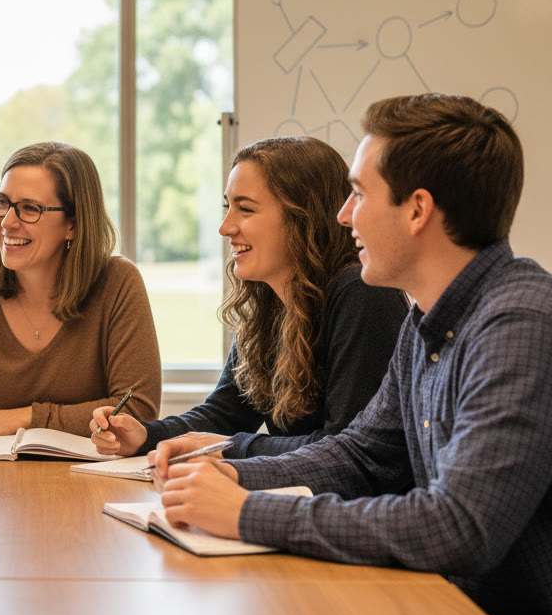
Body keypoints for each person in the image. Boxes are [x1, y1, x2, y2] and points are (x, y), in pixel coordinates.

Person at [155, 94, 552, 615]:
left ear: (417, 210)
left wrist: (245, 512)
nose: (343, 215)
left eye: (358, 194)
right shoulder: (425, 321)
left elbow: (458, 527)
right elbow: (360, 456)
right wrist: (234, 474)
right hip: (452, 612)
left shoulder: (522, 326)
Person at [90, 136, 407, 459]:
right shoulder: (269, 301)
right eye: (227, 207)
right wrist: (147, 435)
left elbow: (345, 451)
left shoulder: (361, 293)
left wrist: (228, 448)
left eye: (245, 209)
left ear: (303, 217)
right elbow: (226, 413)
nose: (225, 227)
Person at [0, 141, 161, 451]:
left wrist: (26, 418)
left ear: (73, 224)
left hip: (89, 478)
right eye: (3, 202)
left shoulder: (118, 282)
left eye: (30, 208)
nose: (7, 221)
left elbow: (137, 409)